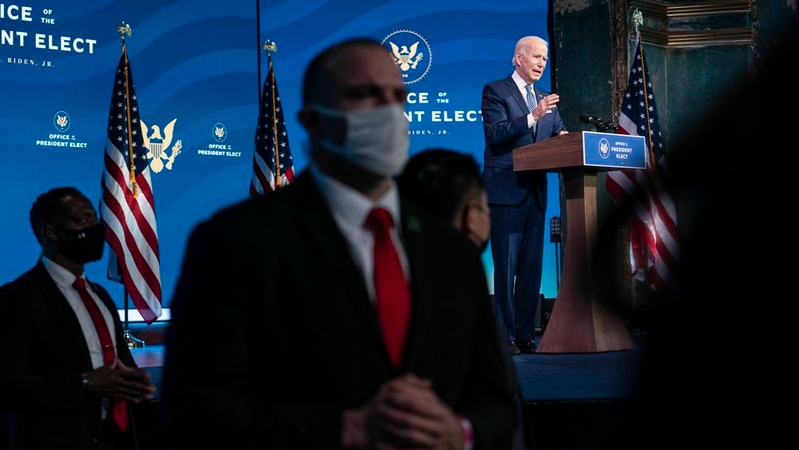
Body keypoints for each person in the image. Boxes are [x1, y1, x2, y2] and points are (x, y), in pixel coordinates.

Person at [159, 37, 517, 450]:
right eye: (365, 94)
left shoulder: (450, 251)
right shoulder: (235, 242)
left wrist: (461, 432)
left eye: (398, 96)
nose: (388, 110)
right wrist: (345, 430)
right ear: (314, 121)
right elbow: (193, 415)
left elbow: (497, 403)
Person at [0, 186, 157, 450]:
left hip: (115, 439)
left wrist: (136, 382)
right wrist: (84, 383)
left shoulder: (100, 296)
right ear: (52, 232)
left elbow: (121, 365)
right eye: (83, 221)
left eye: (94, 219)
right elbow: (6, 385)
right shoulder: (18, 299)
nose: (95, 229)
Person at [396, 148, 532, 450]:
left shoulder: (386, 286)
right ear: (471, 216)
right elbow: (504, 417)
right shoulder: (465, 296)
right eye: (486, 209)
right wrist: (465, 434)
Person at [480, 35, 568, 355]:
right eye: (536, 56)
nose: (542, 63)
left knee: (531, 269)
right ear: (518, 58)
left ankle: (525, 336)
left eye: (545, 58)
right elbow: (495, 135)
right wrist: (533, 116)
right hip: (506, 190)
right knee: (506, 269)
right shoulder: (496, 91)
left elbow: (559, 135)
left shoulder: (545, 98)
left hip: (536, 191)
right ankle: (503, 336)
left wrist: (570, 139)